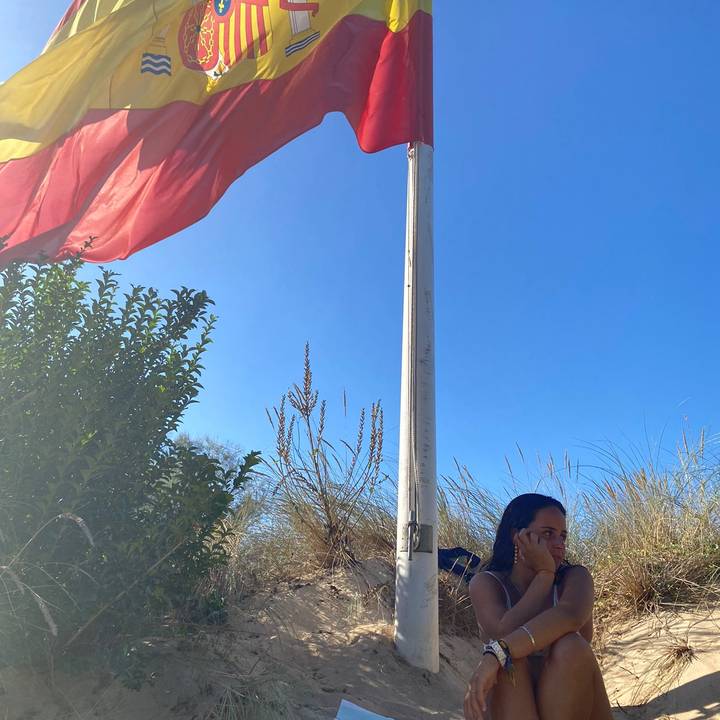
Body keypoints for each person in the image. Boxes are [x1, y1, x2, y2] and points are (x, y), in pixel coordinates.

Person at [463, 493, 614, 720]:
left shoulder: (575, 578)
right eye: (548, 533)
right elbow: (503, 631)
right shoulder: (487, 584)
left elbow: (570, 616)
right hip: (514, 700)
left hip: (571, 704)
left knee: (570, 645)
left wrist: (498, 652)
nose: (559, 544)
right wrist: (543, 577)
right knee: (508, 664)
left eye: (563, 536)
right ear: (517, 536)